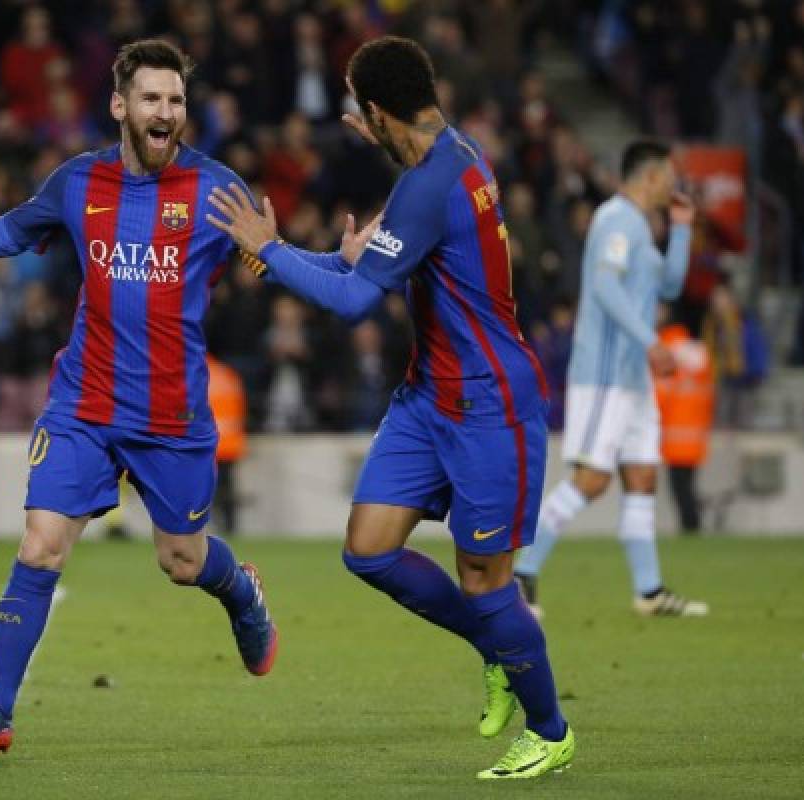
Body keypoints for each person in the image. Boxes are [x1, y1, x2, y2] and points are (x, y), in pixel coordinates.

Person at [0, 39, 279, 754]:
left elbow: (275, 256)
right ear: (120, 106)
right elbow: (9, 232)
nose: (167, 112)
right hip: (84, 406)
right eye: (153, 99)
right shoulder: (78, 183)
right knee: (41, 548)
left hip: (171, 415)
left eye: (177, 101)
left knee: (183, 563)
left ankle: (242, 592)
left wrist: (308, 259)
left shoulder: (216, 191)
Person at [209, 36, 574, 781]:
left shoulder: (427, 188)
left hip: (487, 407)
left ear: (377, 113)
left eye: (361, 111)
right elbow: (356, 267)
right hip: (428, 396)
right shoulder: (455, 154)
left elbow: (350, 302)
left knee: (487, 582)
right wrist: (282, 252)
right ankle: (496, 649)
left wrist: (267, 251)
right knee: (368, 548)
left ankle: (552, 730)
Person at [513, 140, 709, 618]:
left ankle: (648, 591)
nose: (673, 184)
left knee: (642, 476)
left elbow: (669, 286)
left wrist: (681, 230)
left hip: (634, 376)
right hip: (603, 373)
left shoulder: (642, 227)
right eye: (668, 176)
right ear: (650, 177)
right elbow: (602, 286)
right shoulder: (615, 220)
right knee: (592, 479)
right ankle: (521, 574)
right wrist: (649, 339)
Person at [655, 314, 715, 534]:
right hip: (696, 434)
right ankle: (692, 525)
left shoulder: (665, 351)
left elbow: (660, 395)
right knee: (688, 485)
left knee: (680, 488)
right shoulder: (700, 353)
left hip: (674, 435)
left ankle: (691, 527)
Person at [207, 353, 247, 535]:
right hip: (231, 442)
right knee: (227, 487)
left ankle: (210, 527)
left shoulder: (192, 373)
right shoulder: (227, 374)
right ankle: (230, 526)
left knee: (207, 489)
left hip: (207, 444)